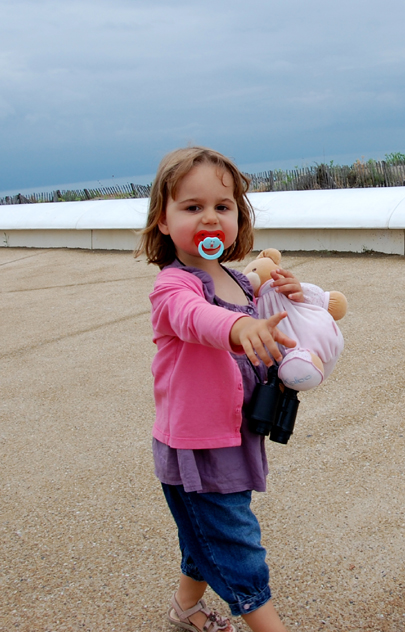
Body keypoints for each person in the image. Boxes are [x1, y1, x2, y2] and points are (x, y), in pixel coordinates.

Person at [136, 146, 302, 632]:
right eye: (193, 207)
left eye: (222, 207)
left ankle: (185, 609)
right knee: (234, 544)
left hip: (234, 433)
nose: (210, 218)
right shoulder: (172, 288)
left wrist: (287, 293)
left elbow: (259, 303)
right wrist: (238, 328)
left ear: (238, 218)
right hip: (197, 444)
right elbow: (196, 318)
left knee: (206, 533)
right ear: (163, 220)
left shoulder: (237, 281)